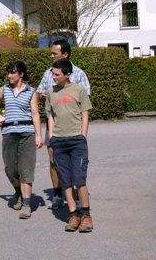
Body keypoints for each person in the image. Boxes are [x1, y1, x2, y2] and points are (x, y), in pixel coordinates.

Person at [37, 39, 91, 210]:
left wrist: (82, 134)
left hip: (73, 127)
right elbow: (41, 92)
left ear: (65, 54)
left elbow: (84, 102)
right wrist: (44, 96)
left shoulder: (79, 74)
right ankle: (58, 194)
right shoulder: (48, 73)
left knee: (75, 164)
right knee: (54, 161)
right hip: (53, 124)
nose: (51, 55)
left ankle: (77, 196)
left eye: (54, 53)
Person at [0, 61, 43, 219]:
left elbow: (35, 114)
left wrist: (39, 135)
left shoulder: (31, 91)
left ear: (21, 74)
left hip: (27, 133)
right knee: (10, 169)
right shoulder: (4, 89)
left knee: (26, 168)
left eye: (12, 72)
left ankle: (26, 205)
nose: (9, 75)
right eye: (8, 72)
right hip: (9, 133)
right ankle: (18, 192)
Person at [46, 59, 93, 232]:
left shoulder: (79, 90)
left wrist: (83, 136)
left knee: (79, 180)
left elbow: (85, 114)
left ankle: (86, 216)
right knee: (65, 181)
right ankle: (73, 215)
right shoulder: (51, 92)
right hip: (58, 141)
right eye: (53, 73)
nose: (53, 77)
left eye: (57, 74)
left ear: (68, 74)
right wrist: (51, 136)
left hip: (76, 141)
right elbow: (50, 115)